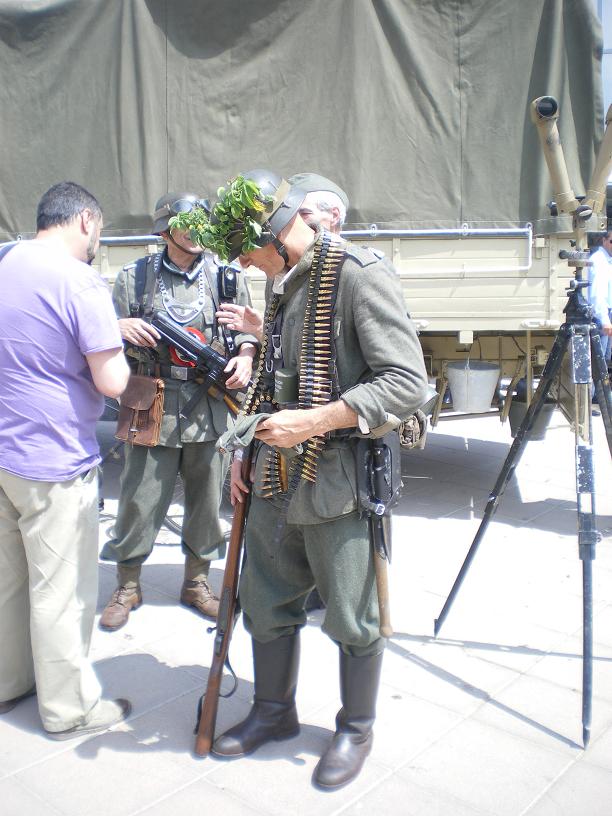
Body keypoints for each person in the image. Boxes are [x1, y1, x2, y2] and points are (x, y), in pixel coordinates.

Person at [207, 170, 429, 789]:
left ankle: (356, 727)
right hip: (275, 476)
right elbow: (272, 373)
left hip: (337, 480)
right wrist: (246, 447)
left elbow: (406, 383)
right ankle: (273, 711)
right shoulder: (282, 280)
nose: (244, 264)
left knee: (353, 616)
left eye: (249, 251)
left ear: (278, 235)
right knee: (265, 602)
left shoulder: (358, 274)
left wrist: (316, 419)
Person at [0, 181, 131, 739]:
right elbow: (113, 380)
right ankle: (68, 709)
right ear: (85, 221)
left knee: (9, 582)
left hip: (4, 451)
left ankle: (9, 682)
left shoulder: (6, 260)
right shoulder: (80, 281)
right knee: (62, 591)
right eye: (99, 229)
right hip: (53, 460)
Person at [99, 193, 258, 629]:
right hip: (152, 401)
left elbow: (248, 331)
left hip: (210, 404)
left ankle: (197, 582)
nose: (194, 232)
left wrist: (246, 356)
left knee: (207, 502)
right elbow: (98, 333)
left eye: (201, 224)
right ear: (165, 230)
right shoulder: (134, 277)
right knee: (139, 498)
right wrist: (117, 327)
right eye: (184, 224)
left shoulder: (226, 277)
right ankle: (127, 585)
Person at [588, 230, 612, 364]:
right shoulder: (599, 261)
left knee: (605, 360)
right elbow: (598, 293)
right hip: (601, 317)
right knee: (600, 363)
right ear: (604, 240)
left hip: (607, 315)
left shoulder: (607, 260)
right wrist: (604, 320)